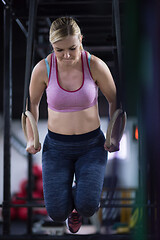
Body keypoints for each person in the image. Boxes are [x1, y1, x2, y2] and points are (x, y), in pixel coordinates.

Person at [26, 16, 118, 234]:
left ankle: (80, 199)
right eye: (59, 50)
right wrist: (31, 138)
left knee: (88, 206)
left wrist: (114, 136)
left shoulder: (95, 65)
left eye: (72, 48)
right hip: (56, 148)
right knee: (56, 212)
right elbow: (32, 106)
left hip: (92, 146)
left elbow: (115, 101)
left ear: (81, 40)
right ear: (52, 47)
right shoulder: (43, 69)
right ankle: (69, 205)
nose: (66, 55)